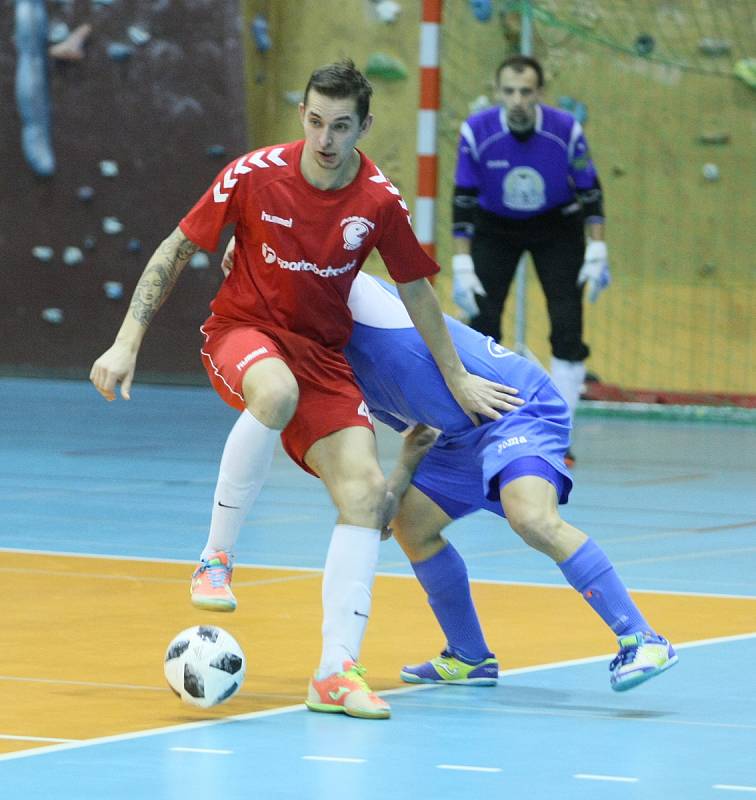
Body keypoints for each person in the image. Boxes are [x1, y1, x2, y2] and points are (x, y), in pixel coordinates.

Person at [89, 59, 521, 721]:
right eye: (315, 121)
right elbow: (175, 250)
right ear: (304, 116)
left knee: (367, 499)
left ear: (363, 126)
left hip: (322, 357)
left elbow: (417, 291)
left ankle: (334, 673)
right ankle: (215, 558)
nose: (324, 138)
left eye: (340, 126)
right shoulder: (254, 174)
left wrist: (457, 375)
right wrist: (126, 341)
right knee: (277, 394)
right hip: (242, 332)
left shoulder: (377, 201)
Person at [344, 274, 676, 693]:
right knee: (413, 527)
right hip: (458, 434)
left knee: (531, 517)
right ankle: (469, 656)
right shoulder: (340, 369)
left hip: (515, 404)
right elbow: (420, 433)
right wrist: (393, 491)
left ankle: (643, 639)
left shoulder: (350, 290)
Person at [451, 54, 611, 466]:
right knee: (482, 326)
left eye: (526, 91)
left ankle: (559, 435)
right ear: (497, 91)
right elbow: (463, 200)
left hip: (556, 226)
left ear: (539, 93)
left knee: (567, 324)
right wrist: (462, 264)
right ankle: (485, 428)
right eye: (509, 91)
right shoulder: (477, 132)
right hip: (494, 227)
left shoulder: (565, 130)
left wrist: (597, 247)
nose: (518, 99)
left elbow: (591, 189)